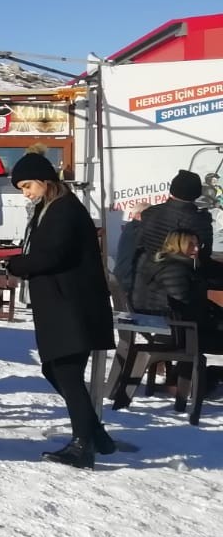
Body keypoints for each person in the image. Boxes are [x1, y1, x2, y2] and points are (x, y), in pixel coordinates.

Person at [6, 153, 117, 467]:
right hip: (60, 305)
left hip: (72, 306)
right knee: (56, 369)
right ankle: (96, 435)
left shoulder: (65, 209)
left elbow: (52, 256)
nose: (25, 193)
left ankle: (84, 444)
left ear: (45, 180)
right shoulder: (48, 208)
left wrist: (14, 263)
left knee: (65, 371)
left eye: (27, 185)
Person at [131, 228, 223, 400]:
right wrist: (215, 318)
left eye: (198, 245)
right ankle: (206, 376)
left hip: (166, 327)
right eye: (191, 245)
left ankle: (191, 376)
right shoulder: (175, 270)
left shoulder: (164, 264)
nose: (196, 249)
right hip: (178, 331)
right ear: (177, 245)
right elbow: (186, 306)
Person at [137, 171, 219, 284]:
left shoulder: (149, 212)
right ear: (197, 193)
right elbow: (204, 255)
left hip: (149, 277)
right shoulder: (199, 220)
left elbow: (140, 244)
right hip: (181, 278)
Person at [112, 203, 146, 299]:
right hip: (130, 280)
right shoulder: (138, 230)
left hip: (123, 278)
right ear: (138, 215)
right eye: (149, 214)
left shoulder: (129, 228)